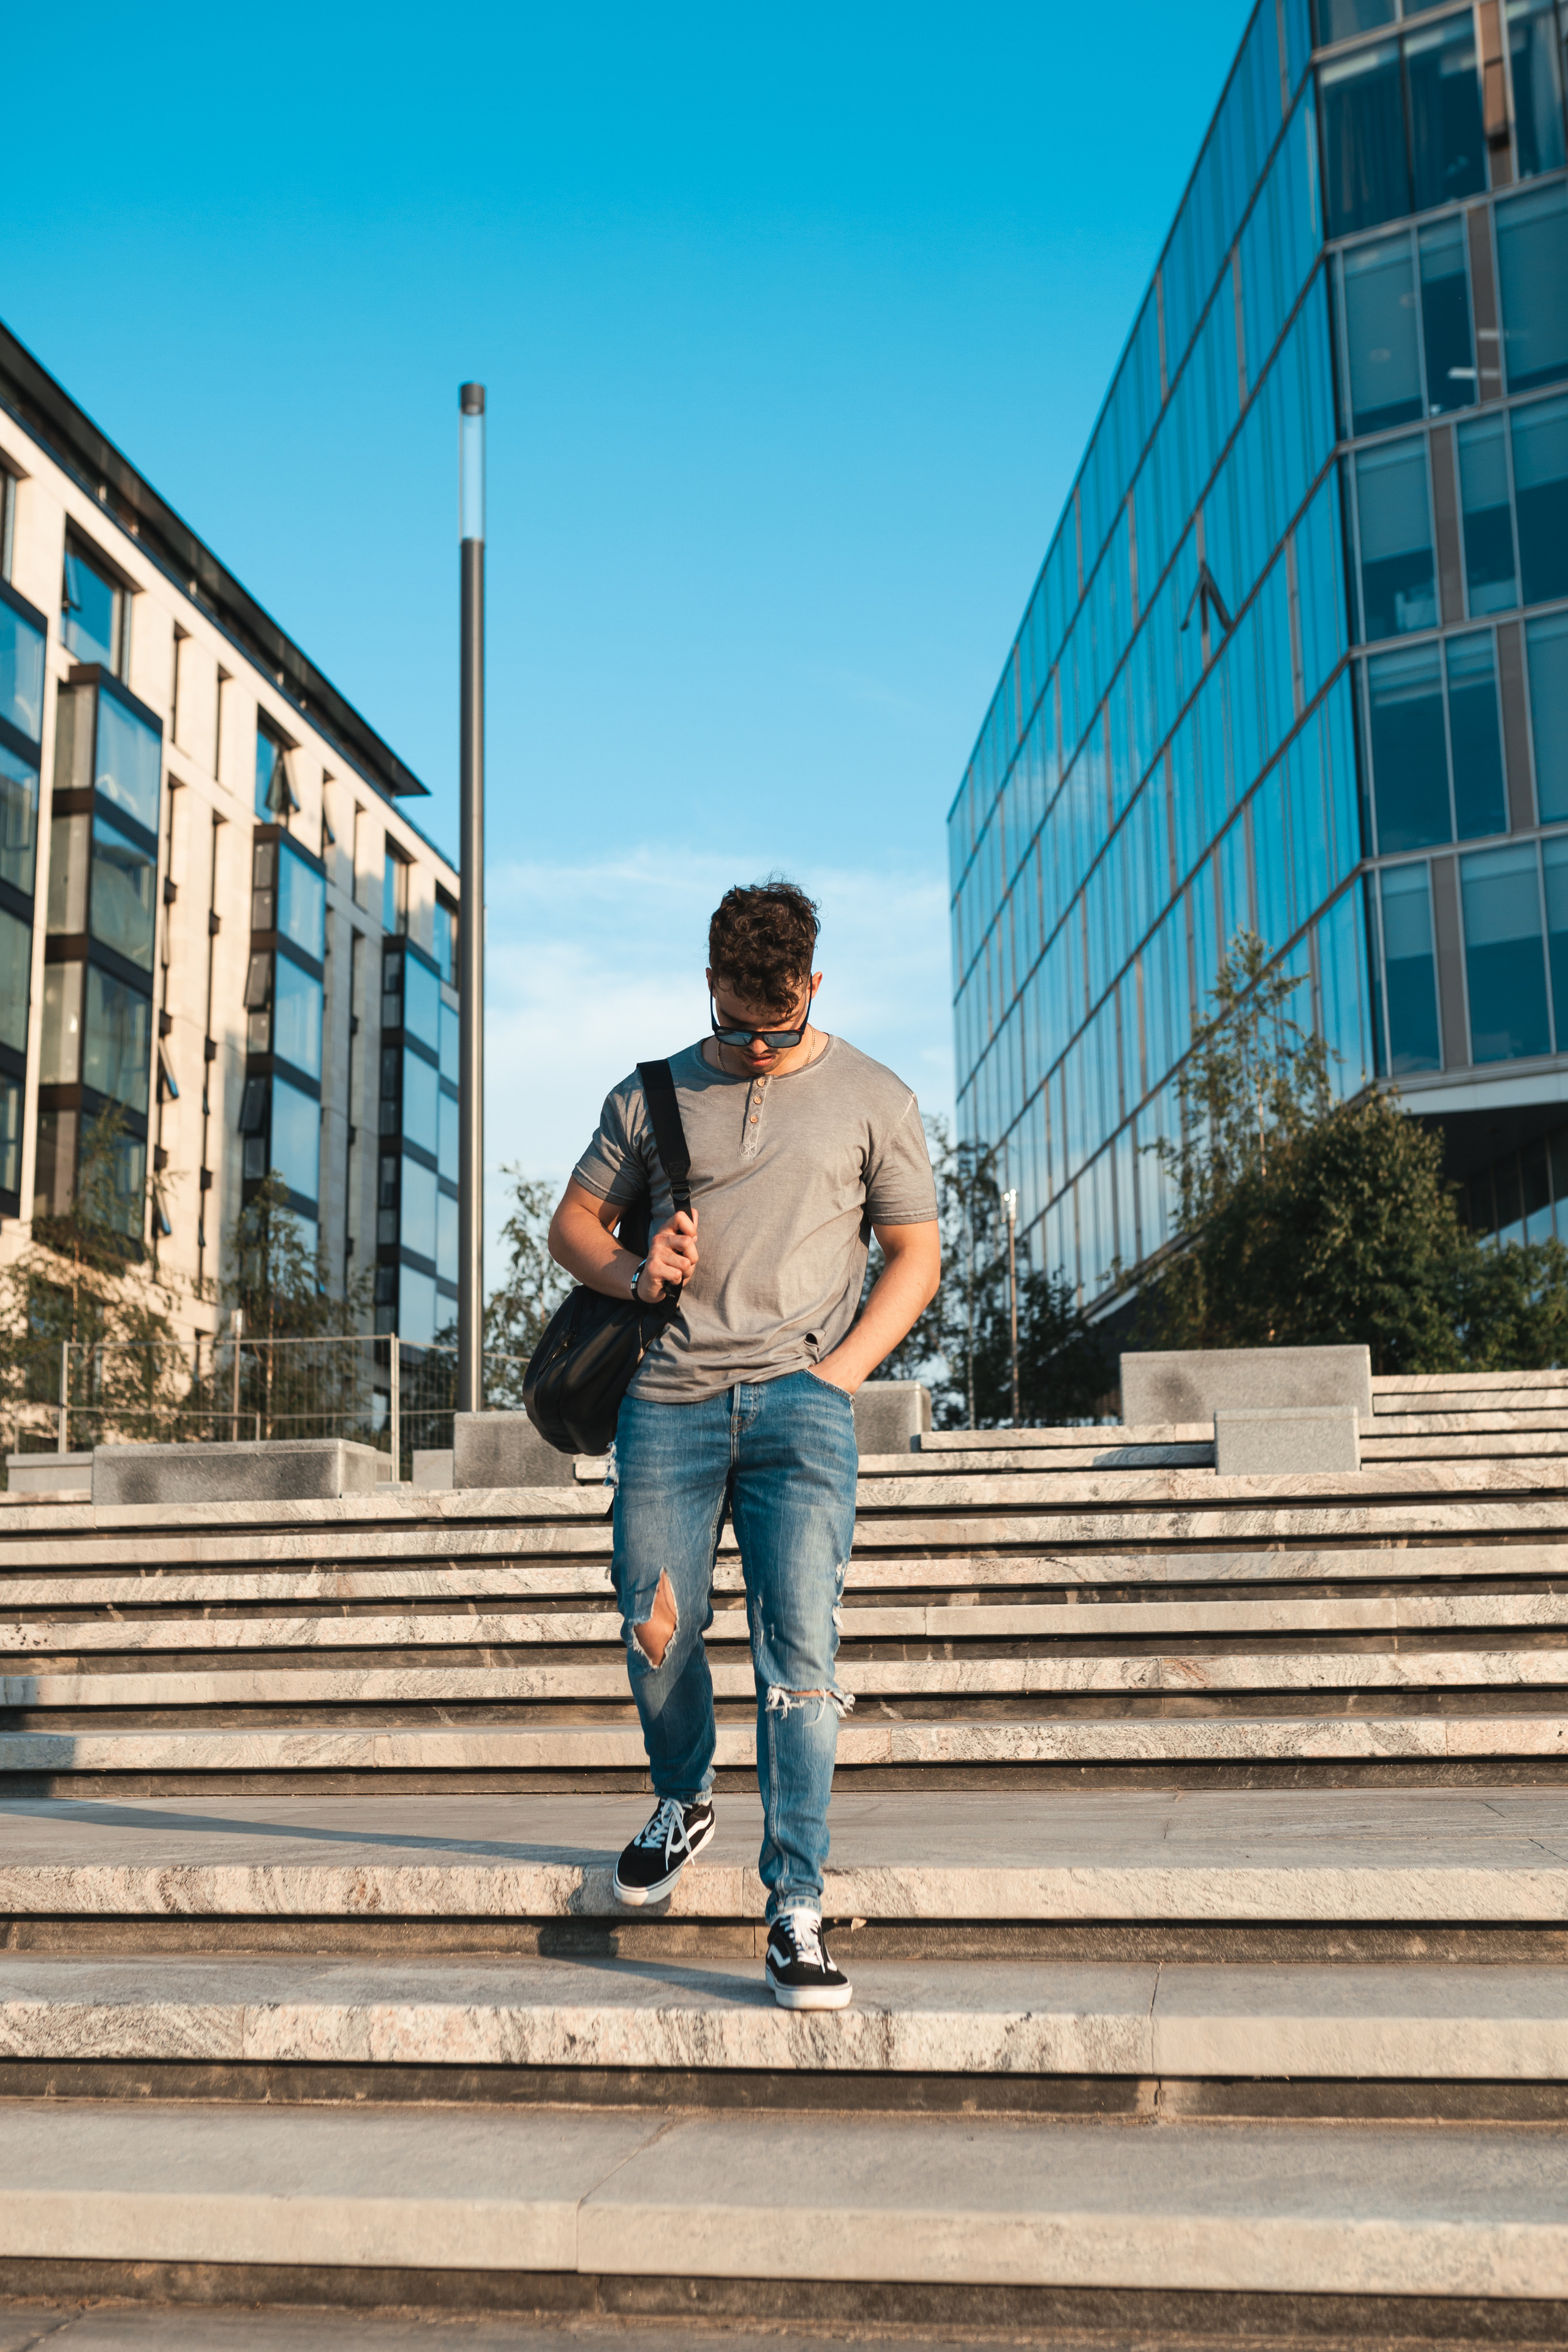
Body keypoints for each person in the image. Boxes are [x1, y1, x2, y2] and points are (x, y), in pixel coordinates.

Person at [548, 880, 940, 2009]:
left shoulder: (874, 1095)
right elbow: (572, 1224)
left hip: (801, 1410)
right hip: (665, 1403)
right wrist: (635, 1269)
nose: (758, 1044)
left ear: (812, 985)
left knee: (800, 1657)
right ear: (708, 982)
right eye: (737, 1020)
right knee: (655, 1625)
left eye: (779, 1020)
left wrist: (837, 1378)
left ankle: (796, 1908)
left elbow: (913, 1252)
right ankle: (684, 1796)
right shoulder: (654, 1093)